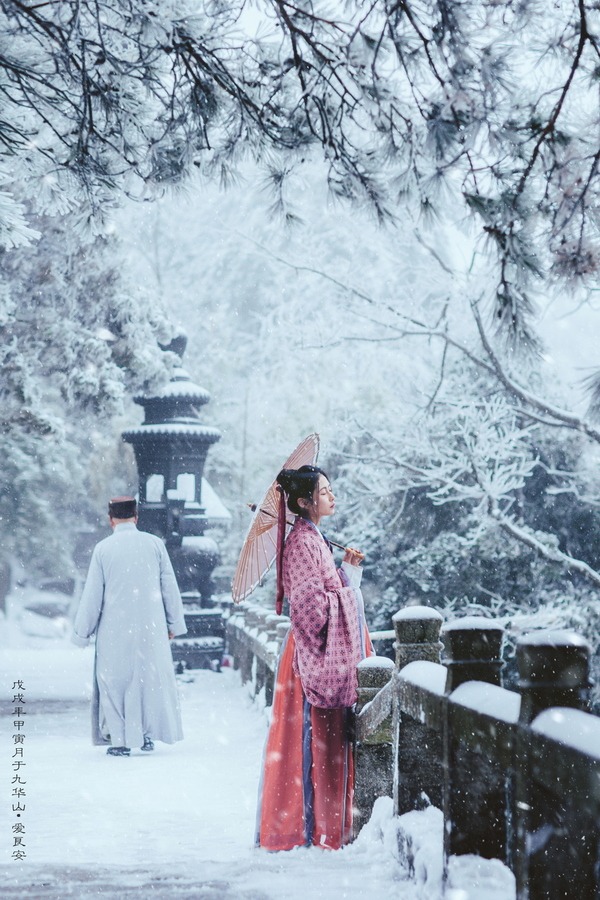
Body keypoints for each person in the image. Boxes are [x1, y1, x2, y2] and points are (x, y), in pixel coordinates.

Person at [256, 465, 372, 851]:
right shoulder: (304, 543)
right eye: (324, 492)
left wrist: (347, 573)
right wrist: (348, 593)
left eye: (329, 489)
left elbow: (323, 594)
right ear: (305, 502)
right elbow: (309, 614)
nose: (331, 496)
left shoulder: (314, 539)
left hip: (314, 654)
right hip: (310, 657)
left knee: (325, 743)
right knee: (312, 745)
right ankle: (310, 829)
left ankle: (325, 827)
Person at [71, 496, 187, 756]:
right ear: (136, 517)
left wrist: (82, 634)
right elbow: (170, 588)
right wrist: (173, 623)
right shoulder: (155, 545)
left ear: (110, 519)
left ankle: (120, 740)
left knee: (115, 683)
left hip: (113, 629)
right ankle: (145, 735)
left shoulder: (103, 549)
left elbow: (93, 596)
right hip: (151, 627)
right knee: (147, 681)